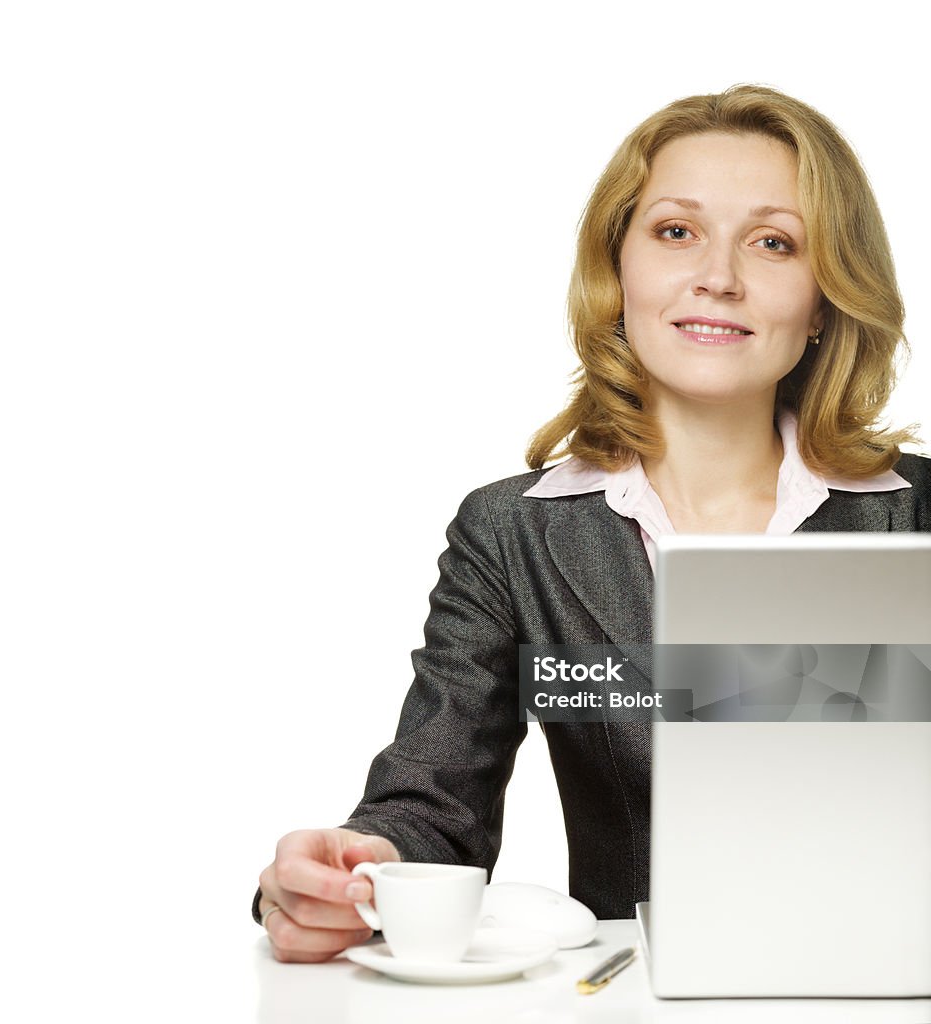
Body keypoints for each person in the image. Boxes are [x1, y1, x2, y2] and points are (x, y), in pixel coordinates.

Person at [255, 84, 930, 963]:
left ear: (824, 296)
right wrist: (362, 873)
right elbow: (434, 803)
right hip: (631, 1001)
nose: (717, 276)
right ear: (618, 272)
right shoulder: (512, 534)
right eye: (676, 231)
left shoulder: (918, 513)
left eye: (773, 242)